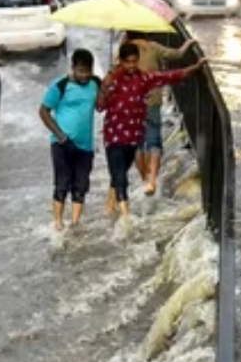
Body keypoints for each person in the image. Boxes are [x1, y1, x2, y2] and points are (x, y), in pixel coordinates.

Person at [97, 42, 207, 223]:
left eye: (134, 61)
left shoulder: (144, 78)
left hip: (133, 136)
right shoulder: (112, 80)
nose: (131, 66)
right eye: (128, 62)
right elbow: (100, 106)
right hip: (114, 135)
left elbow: (169, 76)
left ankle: (111, 205)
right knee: (119, 175)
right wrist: (104, 87)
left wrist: (194, 68)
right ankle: (125, 219)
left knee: (120, 172)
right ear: (121, 61)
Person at [118, 31, 197, 200]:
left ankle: (144, 179)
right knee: (153, 142)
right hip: (152, 102)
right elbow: (177, 54)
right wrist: (187, 44)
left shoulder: (124, 51)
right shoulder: (152, 47)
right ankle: (152, 180)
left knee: (138, 145)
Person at [39, 48, 101, 232]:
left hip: (86, 145)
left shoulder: (95, 83)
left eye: (87, 71)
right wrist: (61, 137)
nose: (84, 75)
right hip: (61, 144)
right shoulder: (60, 85)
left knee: (81, 186)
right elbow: (43, 112)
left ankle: (74, 225)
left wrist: (106, 88)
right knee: (62, 184)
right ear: (73, 67)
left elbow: (100, 107)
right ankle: (58, 224)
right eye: (80, 71)